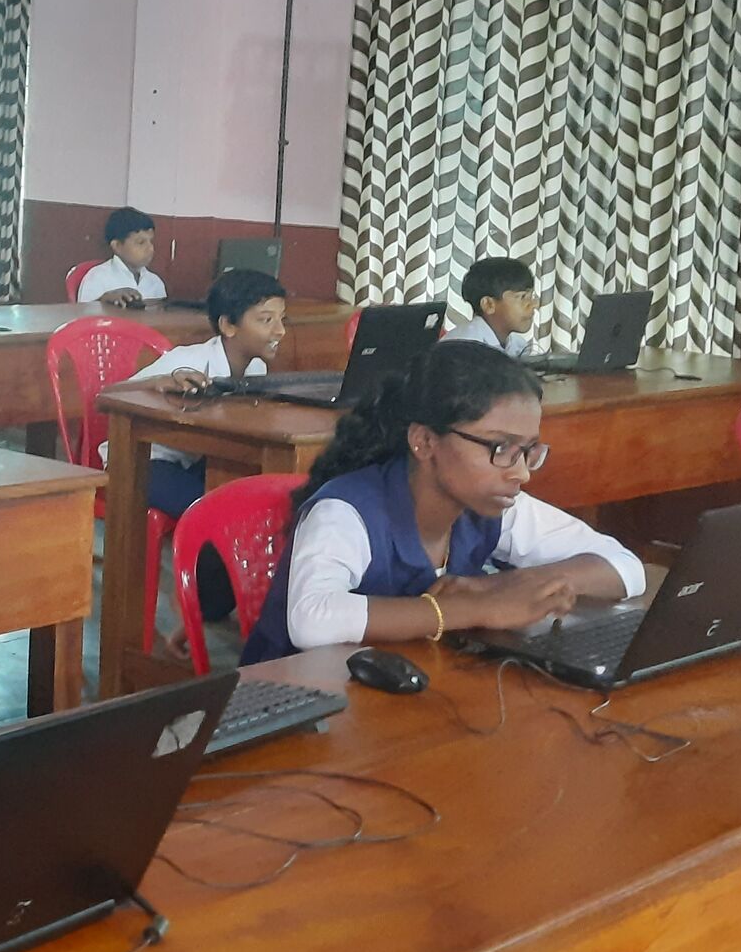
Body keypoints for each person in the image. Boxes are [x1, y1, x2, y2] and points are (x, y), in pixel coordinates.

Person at [242, 341, 644, 660]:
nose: (521, 473)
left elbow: (625, 568)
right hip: (294, 708)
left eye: (528, 451)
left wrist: (500, 587)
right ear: (425, 441)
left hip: (401, 691)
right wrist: (480, 609)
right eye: (500, 447)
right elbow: (312, 620)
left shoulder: (492, 503)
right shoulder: (345, 512)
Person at [121, 267, 289, 624]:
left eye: (281, 319)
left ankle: (216, 600)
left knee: (258, 498)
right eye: (266, 320)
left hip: (197, 460)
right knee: (225, 510)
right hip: (146, 464)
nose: (280, 331)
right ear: (228, 325)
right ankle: (197, 600)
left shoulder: (256, 369)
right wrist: (160, 381)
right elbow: (111, 393)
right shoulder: (190, 360)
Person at [77, 207, 166, 308]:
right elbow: (83, 314)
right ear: (117, 246)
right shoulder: (97, 278)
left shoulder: (155, 282)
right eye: (141, 242)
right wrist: (102, 301)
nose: (150, 248)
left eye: (151, 241)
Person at [446, 257, 535, 354]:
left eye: (531, 297)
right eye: (522, 297)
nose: (533, 305)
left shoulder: (518, 345)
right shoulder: (462, 348)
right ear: (488, 305)